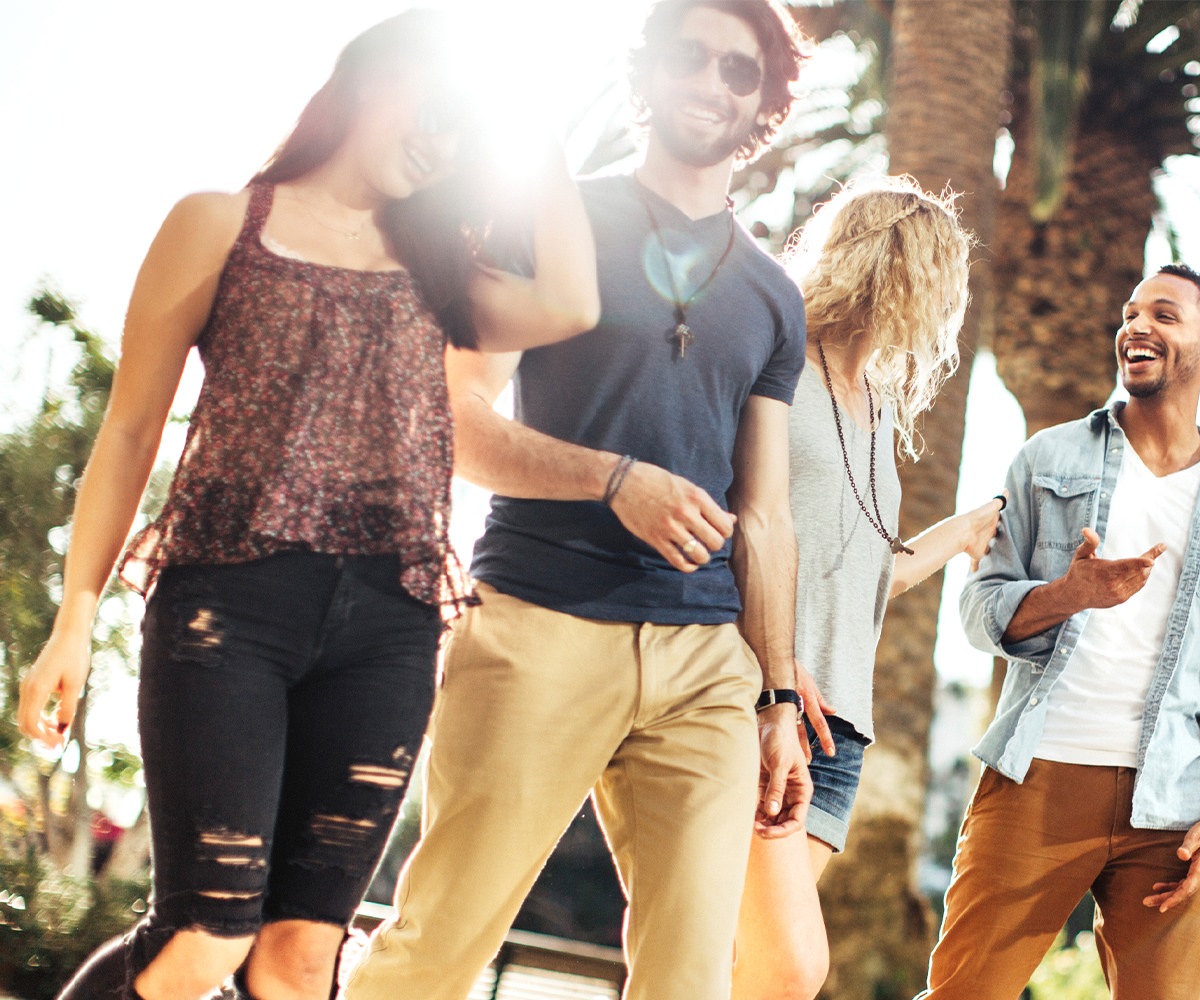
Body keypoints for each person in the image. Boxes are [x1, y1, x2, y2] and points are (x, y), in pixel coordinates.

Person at [13, 11, 600, 1000]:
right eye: (437, 109)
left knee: (298, 965)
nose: (443, 140)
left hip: (391, 627)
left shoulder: (447, 266)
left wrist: (532, 134)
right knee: (204, 936)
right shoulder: (220, 222)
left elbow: (573, 304)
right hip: (226, 609)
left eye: (467, 129)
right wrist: (77, 615)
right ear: (375, 78)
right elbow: (129, 430)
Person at [341, 4, 812, 1000]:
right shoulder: (547, 226)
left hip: (705, 665)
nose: (711, 83)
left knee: (692, 980)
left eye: (740, 71)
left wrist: (775, 691)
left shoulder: (774, 296)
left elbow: (764, 514)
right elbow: (458, 422)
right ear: (644, 76)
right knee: (436, 946)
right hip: (537, 624)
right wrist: (611, 479)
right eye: (689, 57)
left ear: (764, 102)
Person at [921, 265, 1200, 999]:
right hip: (1040, 773)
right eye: (1129, 313)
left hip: (1174, 807)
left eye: (1163, 314)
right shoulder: (1048, 459)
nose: (1137, 326)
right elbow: (976, 610)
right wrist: (1065, 596)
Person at [729, 176, 1001, 999]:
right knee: (788, 968)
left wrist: (959, 534)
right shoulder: (777, 369)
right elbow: (736, 519)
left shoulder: (878, 407)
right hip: (764, 704)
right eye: (934, 273)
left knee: (728, 969)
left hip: (841, 729)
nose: (942, 304)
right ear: (891, 263)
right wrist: (768, 666)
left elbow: (866, 574)